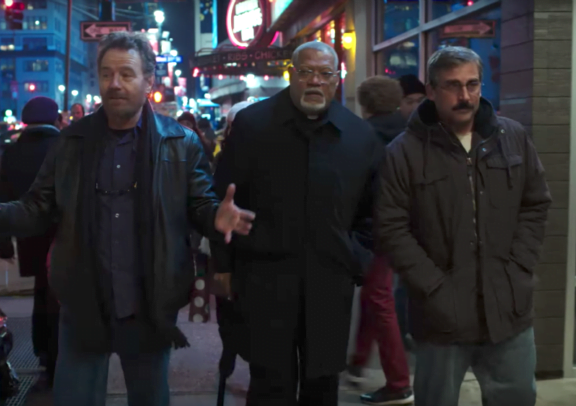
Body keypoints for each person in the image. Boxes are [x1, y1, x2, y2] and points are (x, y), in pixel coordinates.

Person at [0, 31, 254, 406]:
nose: (114, 83)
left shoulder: (179, 142)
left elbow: (199, 204)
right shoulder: (71, 142)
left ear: (148, 81)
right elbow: (37, 208)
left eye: (126, 74)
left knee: (150, 398)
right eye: (106, 74)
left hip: (148, 302)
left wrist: (216, 217)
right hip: (83, 302)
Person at [375, 46, 551, 406]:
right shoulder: (404, 152)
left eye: (472, 84)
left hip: (508, 309)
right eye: (453, 85)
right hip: (441, 315)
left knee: (516, 398)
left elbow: (535, 204)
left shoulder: (512, 137)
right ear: (431, 90)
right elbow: (391, 227)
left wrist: (519, 268)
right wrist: (433, 287)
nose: (465, 96)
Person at [211, 41, 382, 406]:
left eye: (324, 73)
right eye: (305, 72)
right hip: (264, 280)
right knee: (269, 385)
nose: (314, 81)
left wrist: (356, 259)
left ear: (337, 79)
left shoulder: (358, 136)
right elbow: (223, 200)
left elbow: (373, 212)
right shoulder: (253, 125)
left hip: (329, 284)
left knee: (323, 386)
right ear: (291, 75)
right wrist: (223, 266)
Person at [348, 76, 413, 405]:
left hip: (373, 230)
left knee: (379, 299)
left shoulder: (363, 136)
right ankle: (358, 361)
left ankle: (399, 383)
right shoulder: (410, 134)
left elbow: (356, 187)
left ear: (365, 103)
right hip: (402, 227)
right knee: (375, 296)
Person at [0, 96, 61, 388]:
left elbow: (3, 199)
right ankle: (58, 356)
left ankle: (43, 353)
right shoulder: (65, 147)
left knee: (40, 292)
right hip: (62, 236)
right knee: (60, 297)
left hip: (28, 235)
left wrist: (4, 243)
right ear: (55, 119)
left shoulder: (12, 152)